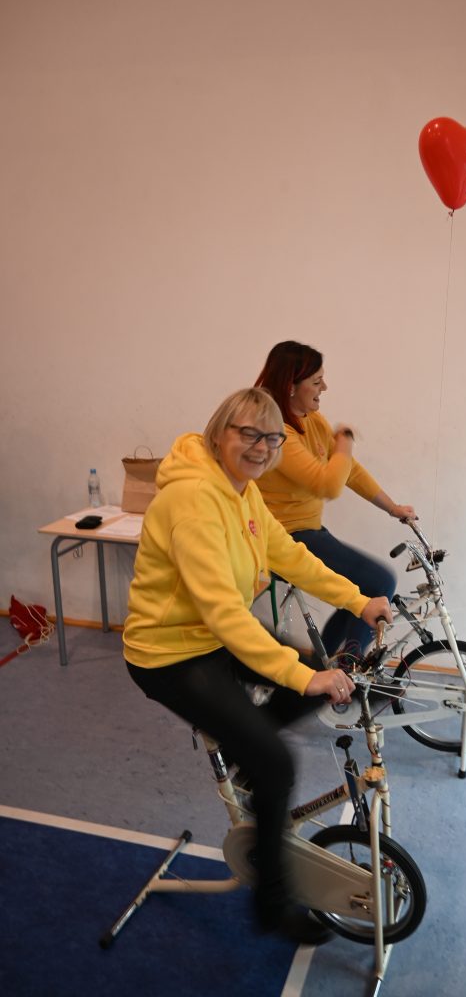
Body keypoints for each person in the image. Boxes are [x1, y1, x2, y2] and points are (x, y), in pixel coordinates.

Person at [123, 387, 392, 944]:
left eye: (272, 438)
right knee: (278, 762)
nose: (262, 447)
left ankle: (248, 755)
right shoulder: (192, 500)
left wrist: (358, 600)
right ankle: (272, 905)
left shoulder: (242, 492)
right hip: (167, 654)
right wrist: (304, 675)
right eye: (249, 434)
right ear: (219, 432)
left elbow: (290, 555)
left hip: (208, 636)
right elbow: (224, 613)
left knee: (313, 678)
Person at [254, 340, 416, 657]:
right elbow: (327, 484)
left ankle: (327, 664)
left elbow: (348, 470)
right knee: (380, 582)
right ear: (290, 387)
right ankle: (347, 667)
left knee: (366, 586)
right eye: (317, 382)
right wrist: (345, 443)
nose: (324, 388)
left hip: (308, 532)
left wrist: (393, 508)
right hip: (284, 537)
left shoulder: (312, 420)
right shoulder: (278, 434)